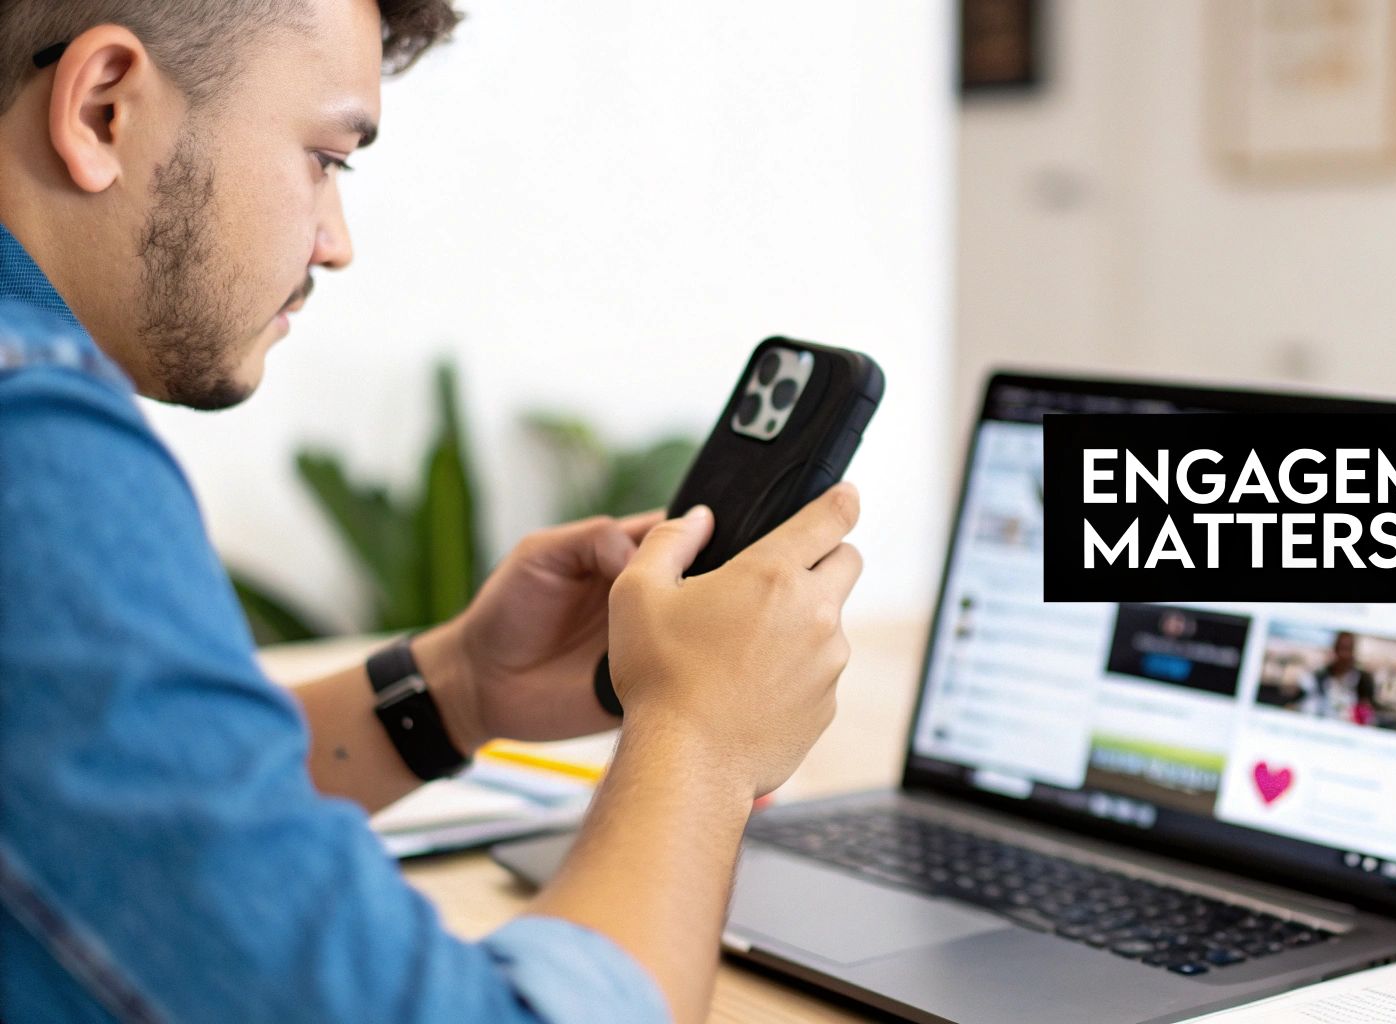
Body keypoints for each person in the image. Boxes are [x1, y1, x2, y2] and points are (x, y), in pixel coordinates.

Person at [0, 2, 862, 1022]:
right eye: (326, 158)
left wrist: (459, 686)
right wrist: (703, 739)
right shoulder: (33, 445)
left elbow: (117, 819)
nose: (336, 243)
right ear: (102, 109)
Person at [1296, 632, 1378, 728]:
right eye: (1341, 648)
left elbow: (1367, 714)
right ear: (1335, 649)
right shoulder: (1319, 677)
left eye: (1348, 649)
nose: (1344, 654)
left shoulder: (1363, 680)